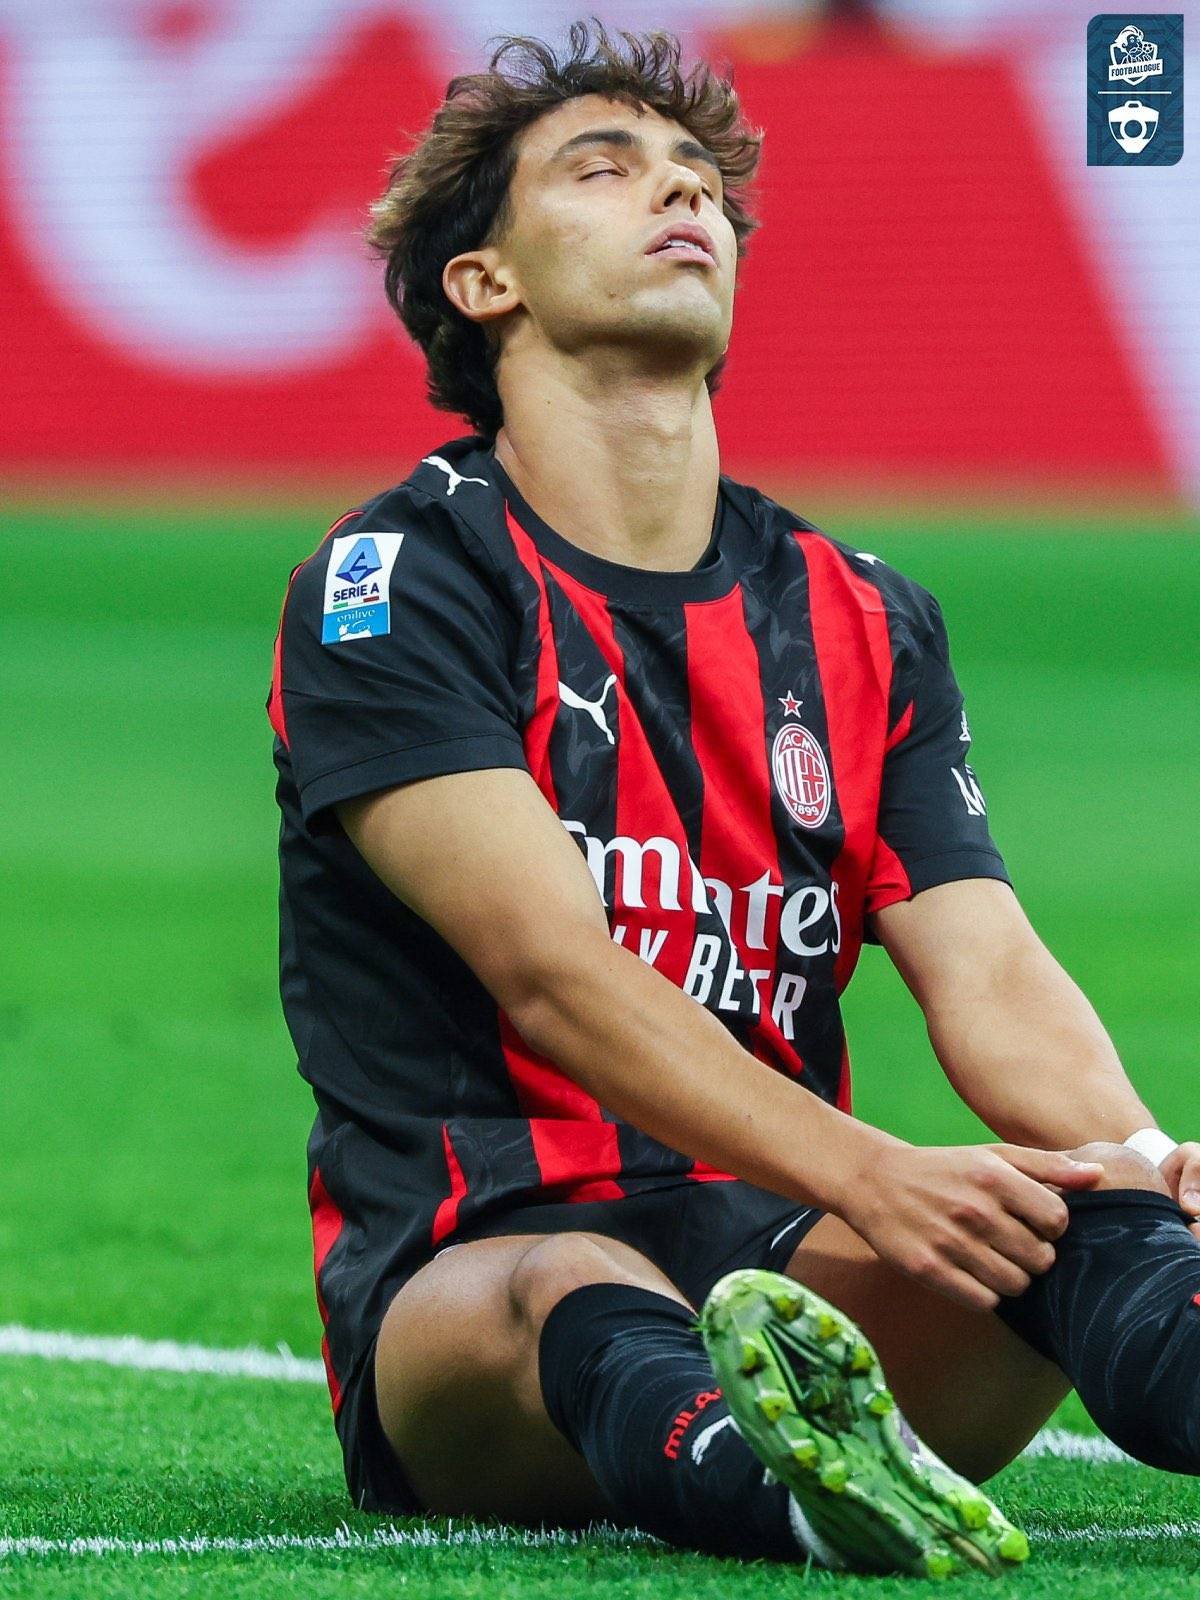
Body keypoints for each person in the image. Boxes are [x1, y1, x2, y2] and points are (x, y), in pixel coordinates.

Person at [268, 20, 1200, 1578]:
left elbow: (987, 966)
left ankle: (858, 1456)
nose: (680, 193)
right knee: (572, 1287)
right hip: (475, 1284)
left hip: (791, 1246)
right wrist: (868, 1170)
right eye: (604, 169)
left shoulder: (858, 609)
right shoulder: (400, 584)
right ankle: (786, 1494)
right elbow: (553, 978)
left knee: (1082, 1206)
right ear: (482, 281)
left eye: (697, 176)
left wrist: (1148, 1160)